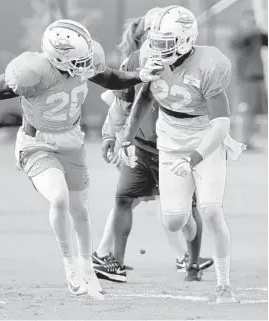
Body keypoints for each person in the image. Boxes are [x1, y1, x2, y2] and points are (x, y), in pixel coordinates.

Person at [0, 19, 159, 299]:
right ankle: (70, 264)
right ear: (58, 58)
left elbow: (108, 76)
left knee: (80, 210)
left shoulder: (83, 63)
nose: (86, 66)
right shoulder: (33, 73)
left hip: (71, 142)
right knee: (59, 197)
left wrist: (140, 76)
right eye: (79, 61)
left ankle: (87, 267)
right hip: (37, 144)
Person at [119, 6, 246, 303]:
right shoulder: (149, 56)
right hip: (170, 140)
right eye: (156, 41)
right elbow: (144, 98)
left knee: (212, 210)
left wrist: (192, 160)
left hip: (206, 139)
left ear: (187, 40)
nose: (159, 48)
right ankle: (185, 214)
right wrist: (126, 137)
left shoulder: (209, 63)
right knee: (174, 221)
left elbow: (222, 124)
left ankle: (223, 285)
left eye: (167, 42)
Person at [92, 9, 213, 284]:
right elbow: (121, 104)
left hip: (178, 148)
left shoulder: (202, 63)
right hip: (142, 145)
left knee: (183, 211)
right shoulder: (136, 60)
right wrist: (111, 136)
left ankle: (191, 263)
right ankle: (115, 262)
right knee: (124, 197)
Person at [231, 9, 268, 150]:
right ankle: (241, 140)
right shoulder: (241, 36)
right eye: (249, 20)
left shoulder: (257, 36)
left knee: (254, 112)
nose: (252, 23)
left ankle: (248, 140)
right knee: (245, 111)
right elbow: (237, 43)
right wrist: (249, 31)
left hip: (258, 78)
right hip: (246, 79)